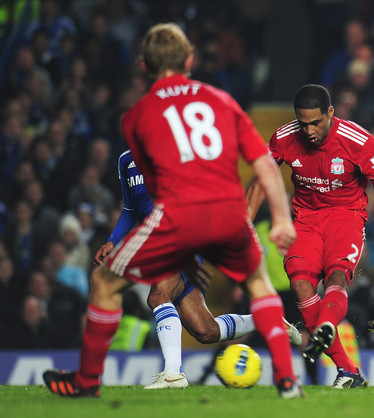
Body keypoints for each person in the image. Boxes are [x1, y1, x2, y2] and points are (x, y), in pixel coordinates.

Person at [42, 22, 303, 399]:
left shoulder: (137, 118)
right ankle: (285, 377)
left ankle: (100, 381)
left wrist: (184, 247)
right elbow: (262, 162)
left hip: (180, 218)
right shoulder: (221, 100)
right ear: (190, 60)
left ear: (145, 65)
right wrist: (280, 217)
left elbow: (163, 190)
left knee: (115, 286)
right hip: (228, 212)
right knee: (212, 324)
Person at [246, 83, 374, 388]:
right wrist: (245, 224)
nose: (310, 131)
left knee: (336, 278)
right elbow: (262, 178)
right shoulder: (284, 138)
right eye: (303, 123)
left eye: (316, 122)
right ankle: (348, 368)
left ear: (330, 112)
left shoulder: (359, 142)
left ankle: (327, 330)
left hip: (346, 217)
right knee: (300, 284)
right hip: (306, 220)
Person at [93, 149, 301, 389]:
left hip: (180, 238)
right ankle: (269, 320)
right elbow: (131, 210)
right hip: (155, 245)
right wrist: (112, 241)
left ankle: (173, 373)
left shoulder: (174, 152)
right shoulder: (125, 160)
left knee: (158, 296)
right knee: (206, 331)